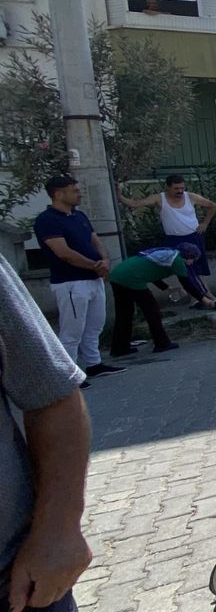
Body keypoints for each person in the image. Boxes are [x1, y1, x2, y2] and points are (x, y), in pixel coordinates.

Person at [0, 255, 93, 612]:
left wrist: (59, 529)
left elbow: (51, 394)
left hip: (15, 585)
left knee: (85, 327)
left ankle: (95, 359)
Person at [33, 177, 124, 380]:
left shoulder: (79, 215)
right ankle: (69, 375)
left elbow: (95, 241)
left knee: (94, 326)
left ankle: (94, 364)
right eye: (74, 190)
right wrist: (94, 265)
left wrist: (104, 260)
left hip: (93, 279)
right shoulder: (47, 220)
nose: (79, 194)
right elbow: (63, 252)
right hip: (71, 282)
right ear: (58, 194)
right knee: (72, 331)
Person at [117, 175, 216, 305]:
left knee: (197, 269)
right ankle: (199, 299)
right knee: (184, 270)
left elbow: (212, 205)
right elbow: (135, 204)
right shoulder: (159, 198)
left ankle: (203, 298)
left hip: (193, 237)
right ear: (168, 187)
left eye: (182, 188)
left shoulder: (190, 197)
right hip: (174, 240)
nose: (180, 191)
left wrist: (205, 223)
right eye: (176, 188)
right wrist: (119, 196)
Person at [107, 245, 209, 357]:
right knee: (152, 312)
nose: (192, 263)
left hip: (117, 275)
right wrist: (205, 300)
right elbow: (187, 284)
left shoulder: (167, 254)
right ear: (189, 256)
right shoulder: (178, 261)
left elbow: (151, 273)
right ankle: (162, 343)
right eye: (193, 260)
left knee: (124, 314)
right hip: (132, 278)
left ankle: (119, 348)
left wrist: (167, 288)